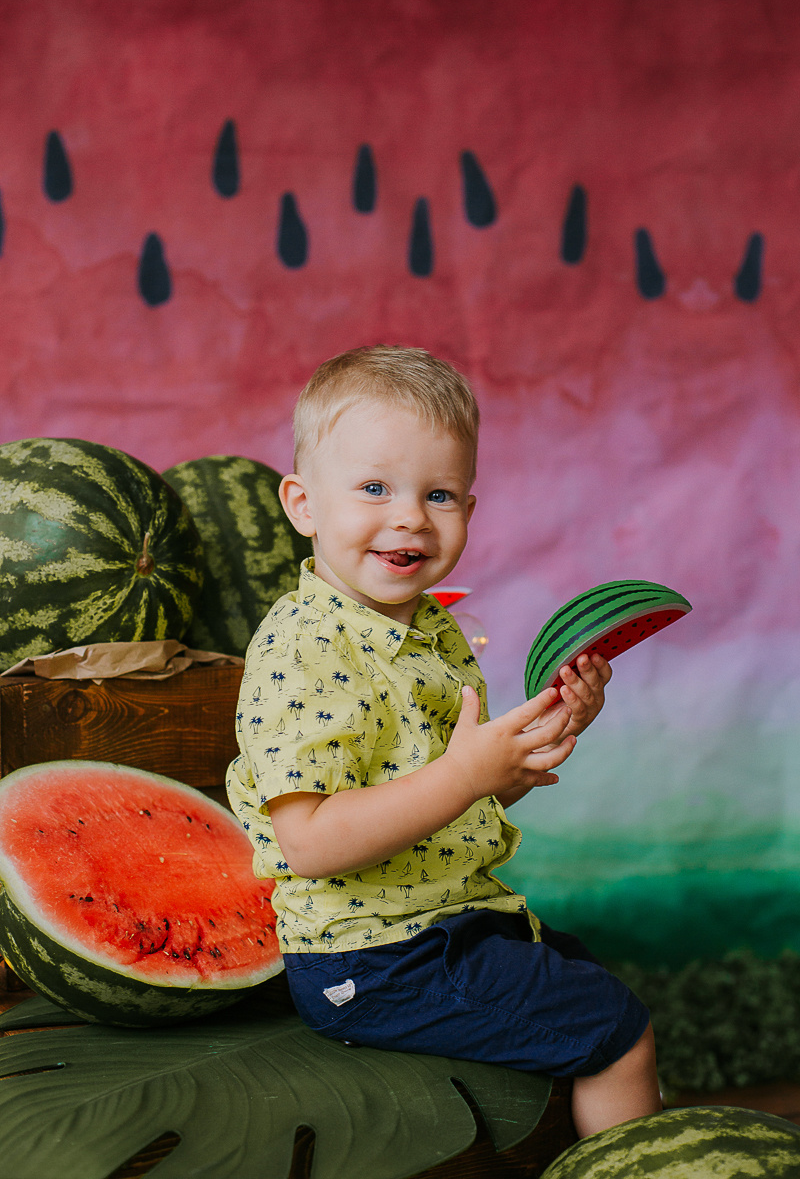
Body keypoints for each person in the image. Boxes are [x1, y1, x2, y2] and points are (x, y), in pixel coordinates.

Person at [226, 345, 661, 1138]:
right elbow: (310, 844)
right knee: (618, 1030)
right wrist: (465, 775)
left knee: (584, 972)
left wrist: (545, 731)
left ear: (469, 506)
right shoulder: (302, 651)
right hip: (371, 959)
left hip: (446, 922)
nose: (410, 518)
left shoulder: (433, 631)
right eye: (374, 488)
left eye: (439, 494)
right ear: (303, 505)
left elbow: (457, 797)